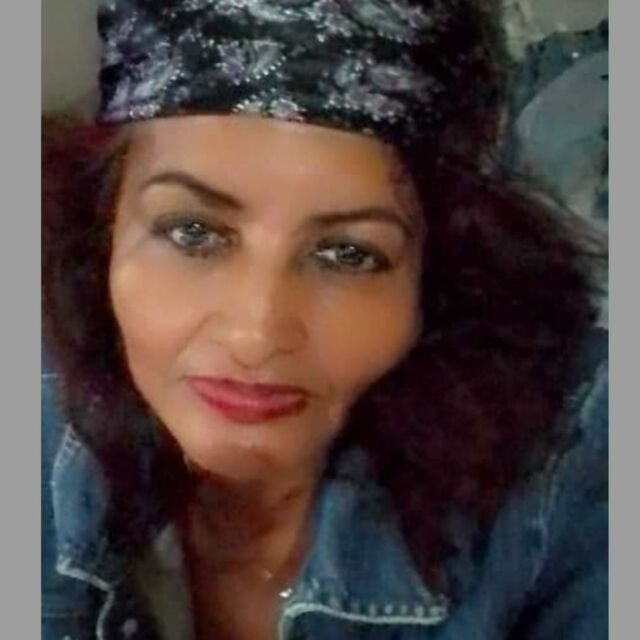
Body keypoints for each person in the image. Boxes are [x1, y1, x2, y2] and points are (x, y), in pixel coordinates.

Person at [41, 1, 608, 639]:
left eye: (348, 254)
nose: (255, 334)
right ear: (102, 233)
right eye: (193, 232)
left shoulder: (570, 471)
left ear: (437, 279)